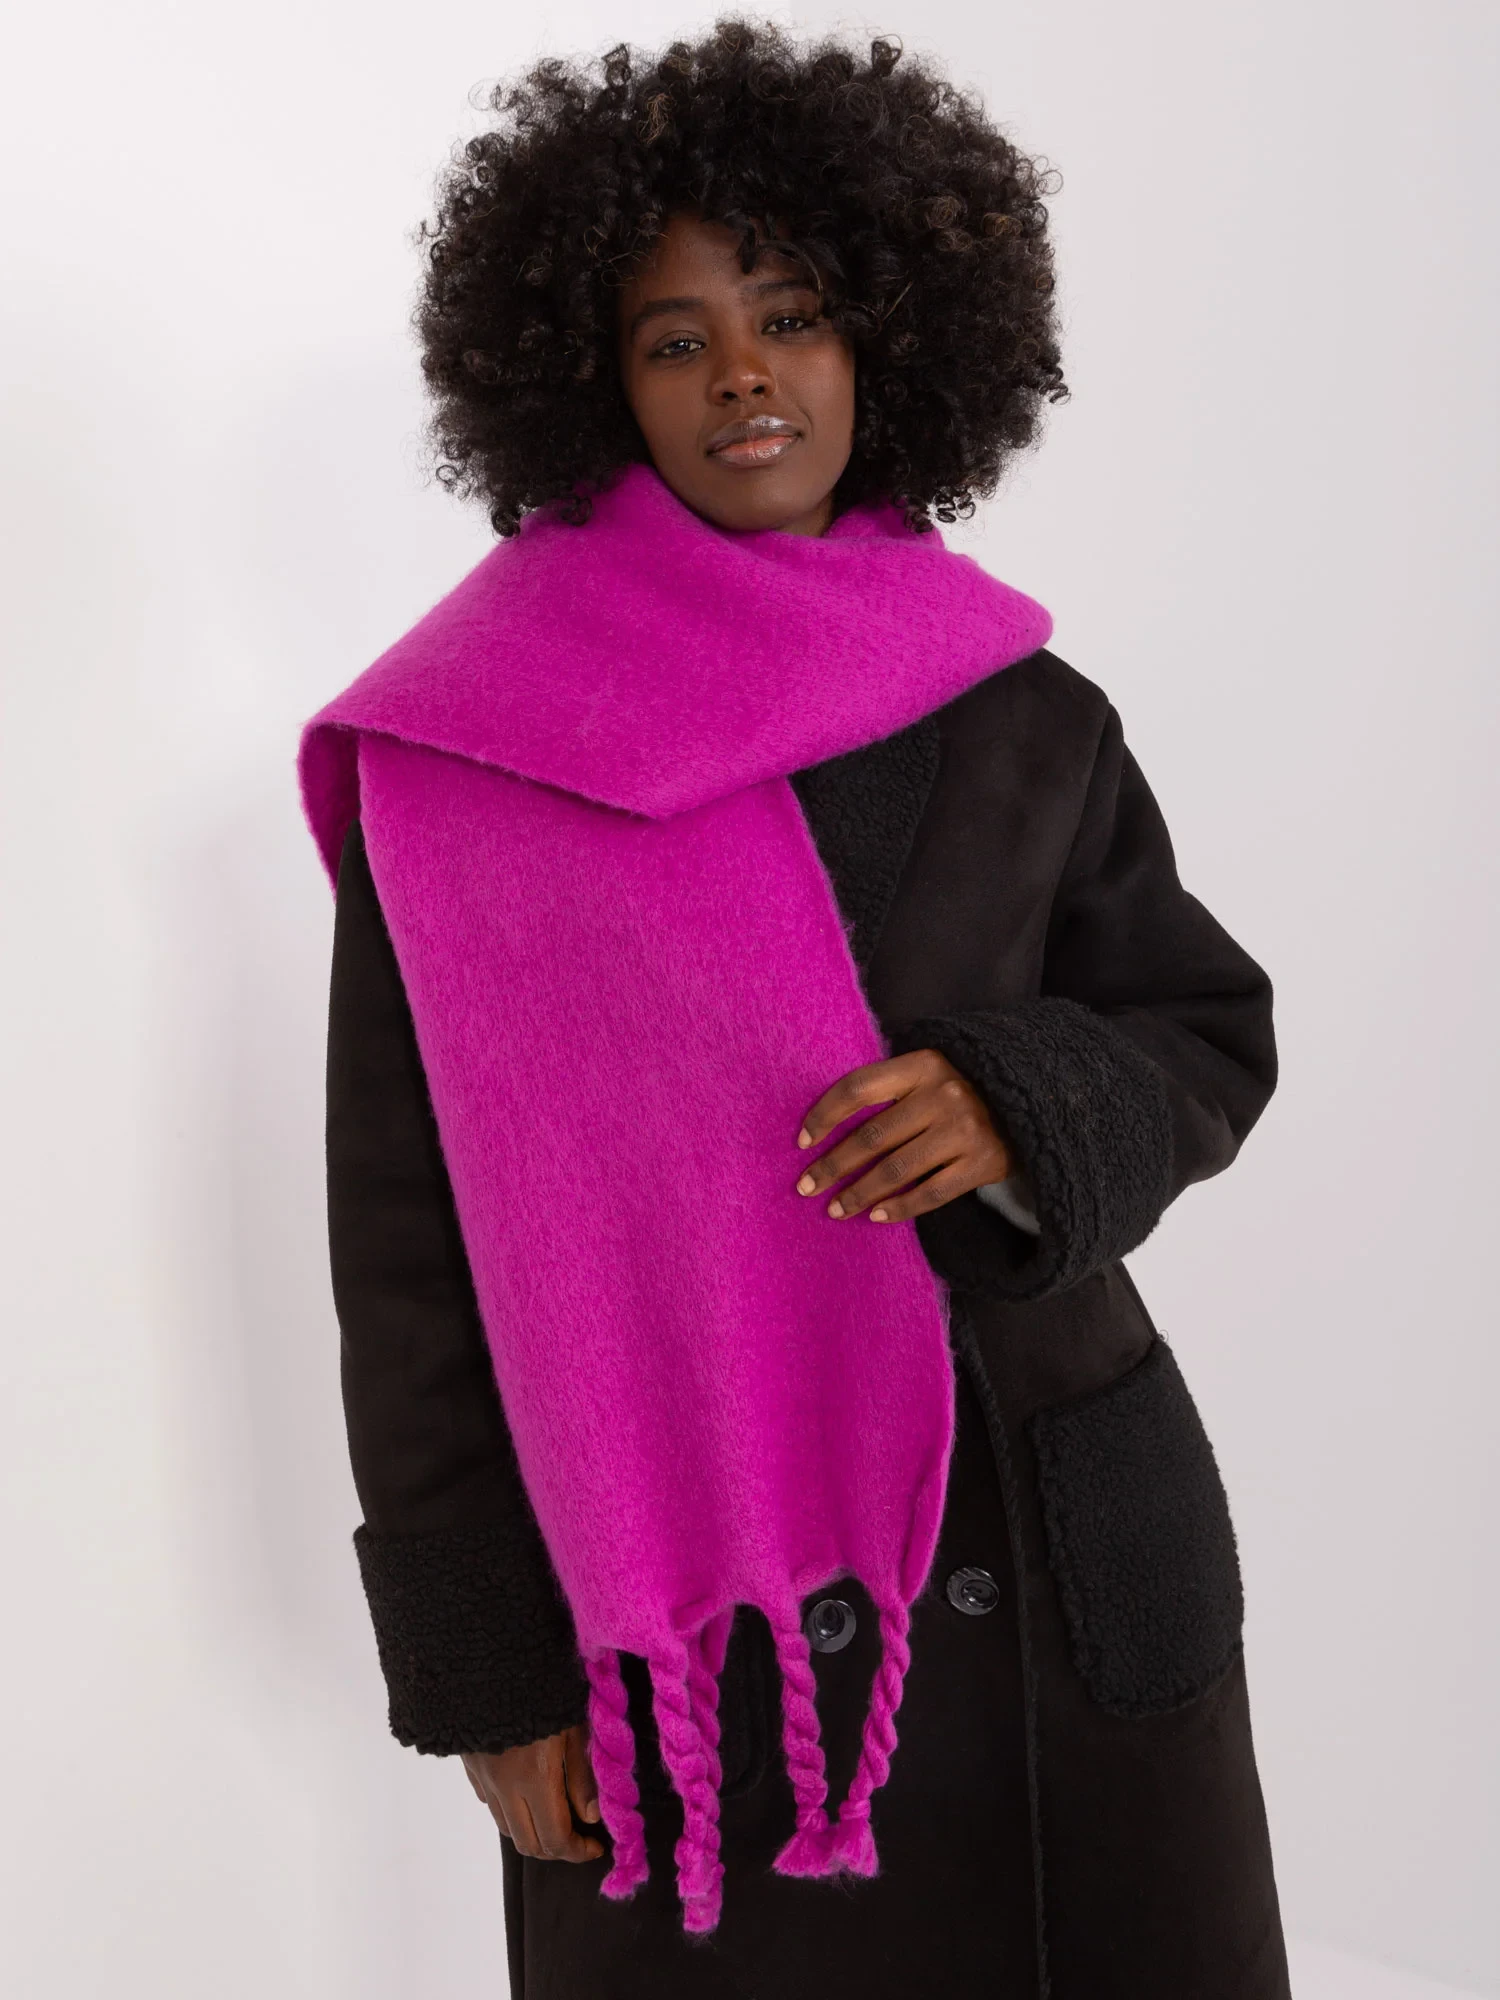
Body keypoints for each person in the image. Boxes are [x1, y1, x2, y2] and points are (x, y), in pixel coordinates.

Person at [302, 19, 1290, 1997]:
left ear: (892, 346)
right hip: (687, 1645)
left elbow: (1204, 1028)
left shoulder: (1023, 711)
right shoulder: (470, 756)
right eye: (675, 338)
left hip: (1051, 1560)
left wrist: (1019, 1102)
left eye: (794, 317)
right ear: (594, 384)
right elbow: (405, 1252)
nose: (743, 373)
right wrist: (494, 1672)